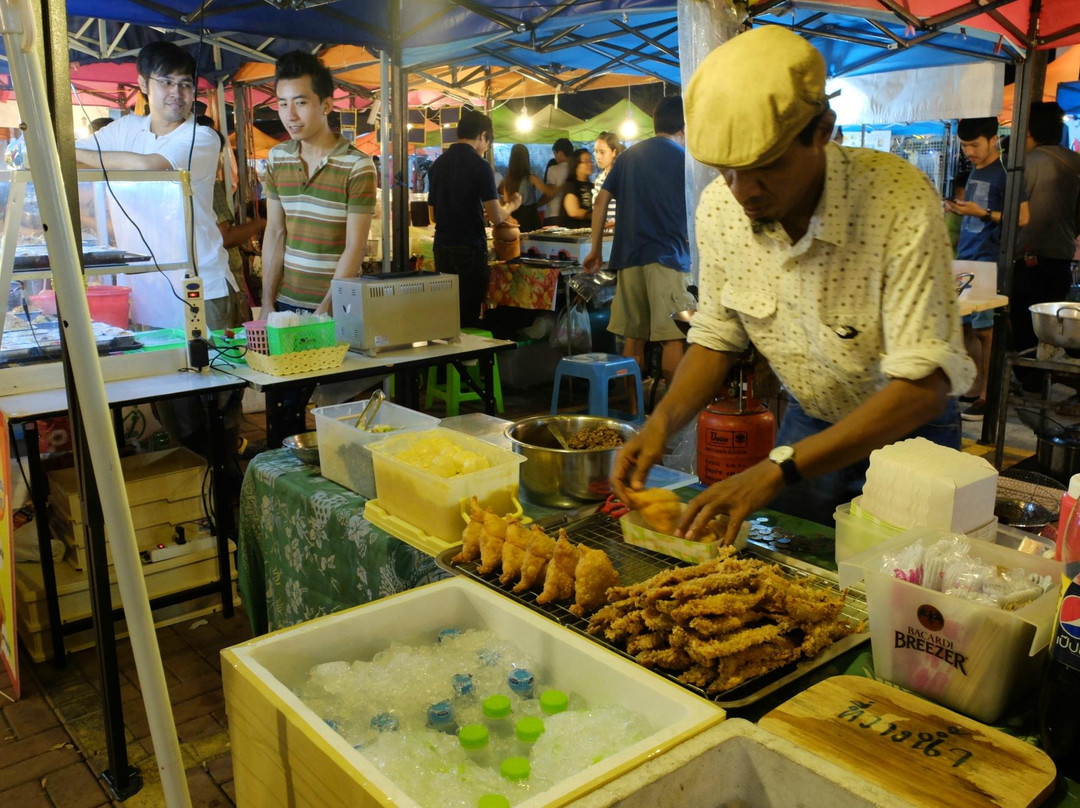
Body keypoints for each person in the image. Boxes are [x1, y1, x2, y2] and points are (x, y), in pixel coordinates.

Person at [612, 26, 974, 541]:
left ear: (822, 131)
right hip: (809, 419)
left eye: (767, 167)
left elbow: (923, 388)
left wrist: (774, 469)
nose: (744, 192)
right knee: (797, 579)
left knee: (908, 599)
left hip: (909, 437)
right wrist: (661, 423)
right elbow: (718, 334)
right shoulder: (720, 207)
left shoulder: (897, 199)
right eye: (727, 171)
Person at [75, 41, 242, 331]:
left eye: (185, 85)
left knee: (218, 373)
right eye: (166, 82)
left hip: (200, 287)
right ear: (143, 83)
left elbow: (149, 165)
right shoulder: (125, 129)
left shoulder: (201, 137)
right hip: (143, 292)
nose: (176, 93)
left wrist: (70, 151)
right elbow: (72, 164)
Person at [583, 97, 693, 389]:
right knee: (672, 338)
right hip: (668, 258)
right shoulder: (685, 159)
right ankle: (672, 422)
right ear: (683, 127)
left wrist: (595, 249)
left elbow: (600, 202)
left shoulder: (629, 157)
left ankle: (635, 414)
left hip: (628, 258)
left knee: (634, 339)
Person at [260, 50, 376, 316]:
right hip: (285, 302)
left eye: (300, 103)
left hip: (338, 306)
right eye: (282, 103)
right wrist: (267, 302)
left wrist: (325, 310)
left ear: (326, 105)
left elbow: (354, 248)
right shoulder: (278, 158)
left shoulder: (357, 166)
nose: (290, 115)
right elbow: (275, 233)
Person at [945, 117, 1029, 420]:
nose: (969, 151)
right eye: (965, 145)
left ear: (993, 139)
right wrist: (958, 209)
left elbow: (1022, 218)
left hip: (988, 258)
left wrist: (984, 213)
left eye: (974, 144)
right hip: (966, 256)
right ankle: (974, 386)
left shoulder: (1006, 171)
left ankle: (989, 395)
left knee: (987, 331)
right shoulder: (976, 169)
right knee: (965, 326)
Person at [428, 108, 520, 327]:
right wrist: (513, 204)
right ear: (482, 136)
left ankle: (447, 359)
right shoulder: (480, 166)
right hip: (469, 248)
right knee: (468, 315)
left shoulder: (437, 165)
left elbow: (433, 215)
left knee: (448, 313)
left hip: (441, 246)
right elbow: (498, 219)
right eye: (488, 142)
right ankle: (467, 358)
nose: (486, 147)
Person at [1011, 102, 1080, 374]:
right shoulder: (1075, 161)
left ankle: (1030, 383)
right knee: (1053, 326)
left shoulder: (1024, 163)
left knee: (1024, 325)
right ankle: (1046, 378)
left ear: (1029, 131)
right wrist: (1068, 233)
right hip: (1060, 256)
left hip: (1027, 258)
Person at [499, 143, 547, 232]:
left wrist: (509, 217)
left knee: (516, 244)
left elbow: (504, 202)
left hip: (514, 218)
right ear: (526, 159)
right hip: (531, 217)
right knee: (533, 244)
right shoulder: (531, 178)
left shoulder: (507, 180)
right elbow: (548, 192)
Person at [557, 148, 595, 227]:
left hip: (588, 233)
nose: (590, 164)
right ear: (576, 164)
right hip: (573, 232)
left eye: (591, 161)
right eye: (586, 161)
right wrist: (595, 216)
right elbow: (573, 212)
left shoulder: (592, 186)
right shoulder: (570, 185)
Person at [592, 131, 623, 222]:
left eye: (602, 152)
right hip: (602, 232)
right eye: (596, 152)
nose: (598, 156)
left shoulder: (621, 178)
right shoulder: (599, 179)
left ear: (614, 152)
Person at [541, 138, 574, 223]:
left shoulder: (553, 169)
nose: (555, 158)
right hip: (570, 214)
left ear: (560, 154)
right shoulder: (575, 169)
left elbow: (549, 193)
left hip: (553, 214)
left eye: (555, 154)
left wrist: (537, 205)